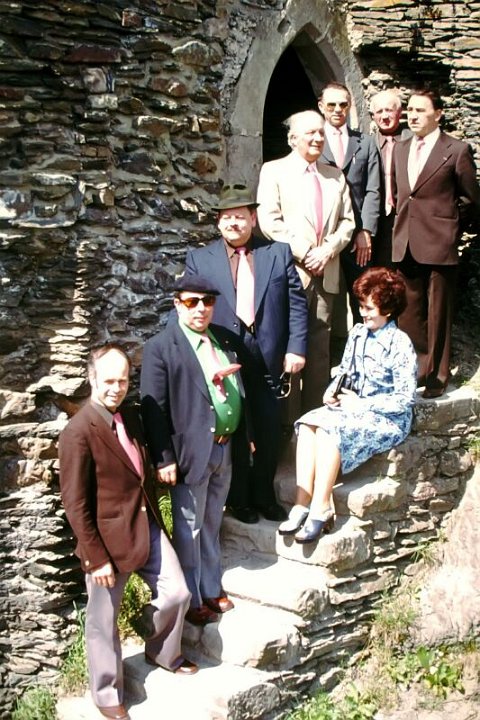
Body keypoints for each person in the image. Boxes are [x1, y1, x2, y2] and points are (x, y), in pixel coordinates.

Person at [59, 344, 195, 720]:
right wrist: (95, 557)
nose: (116, 388)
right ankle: (107, 694)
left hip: (145, 524)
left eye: (122, 380)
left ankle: (162, 651)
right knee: (103, 623)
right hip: (106, 544)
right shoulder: (77, 433)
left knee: (178, 592)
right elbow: (75, 504)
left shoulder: (129, 416)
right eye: (108, 381)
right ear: (92, 379)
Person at [184, 183, 308, 524]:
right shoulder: (199, 259)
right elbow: (187, 308)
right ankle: (238, 500)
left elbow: (297, 305)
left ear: (253, 218)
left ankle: (264, 497)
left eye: (240, 216)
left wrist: (296, 348)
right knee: (235, 430)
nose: (233, 223)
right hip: (223, 356)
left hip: (269, 355)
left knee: (268, 429)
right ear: (218, 222)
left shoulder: (277, 253)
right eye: (226, 218)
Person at [278, 267, 417, 544]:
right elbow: (344, 371)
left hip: (388, 418)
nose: (363, 313)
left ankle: (321, 506)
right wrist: (332, 392)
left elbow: (405, 398)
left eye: (369, 308)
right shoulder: (358, 333)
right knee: (307, 423)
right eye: (361, 306)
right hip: (352, 407)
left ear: (388, 309)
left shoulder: (400, 343)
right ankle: (301, 504)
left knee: (329, 430)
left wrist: (361, 404)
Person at [141, 274, 250, 626]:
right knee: (189, 528)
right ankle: (191, 597)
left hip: (224, 448)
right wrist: (163, 458)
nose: (201, 308)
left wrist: (243, 433)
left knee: (212, 521)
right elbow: (153, 409)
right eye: (192, 302)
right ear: (177, 304)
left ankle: (211, 586)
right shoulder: (161, 347)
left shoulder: (221, 340)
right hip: (190, 452)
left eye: (207, 302)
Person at [257, 110, 355, 413]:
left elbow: (348, 222)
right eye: (310, 133)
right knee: (289, 345)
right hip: (291, 271)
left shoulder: (335, 175)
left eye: (321, 133)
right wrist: (306, 251)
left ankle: (315, 417)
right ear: (292, 138)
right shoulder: (274, 171)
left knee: (320, 348)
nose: (317, 138)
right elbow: (269, 221)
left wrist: (327, 250)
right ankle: (287, 422)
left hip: (326, 270)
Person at [392, 88, 480, 398]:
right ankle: (414, 371)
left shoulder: (456, 150)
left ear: (438, 114)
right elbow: (401, 195)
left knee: (438, 313)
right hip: (406, 242)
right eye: (410, 110)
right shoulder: (400, 149)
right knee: (408, 312)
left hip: (440, 243)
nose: (413, 116)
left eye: (421, 110)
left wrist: (450, 227)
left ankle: (436, 378)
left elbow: (470, 198)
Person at [318, 82, 381, 323]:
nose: (337, 110)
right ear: (321, 106)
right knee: (321, 302)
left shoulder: (365, 142)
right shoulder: (313, 140)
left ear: (350, 106)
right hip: (322, 234)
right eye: (331, 105)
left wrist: (366, 230)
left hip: (357, 236)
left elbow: (373, 189)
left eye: (343, 104)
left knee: (362, 295)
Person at [370, 89, 411, 267]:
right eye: (379, 111)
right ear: (373, 116)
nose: (385, 116)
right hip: (378, 222)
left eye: (389, 110)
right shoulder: (366, 144)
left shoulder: (415, 141)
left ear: (399, 113)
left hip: (408, 218)